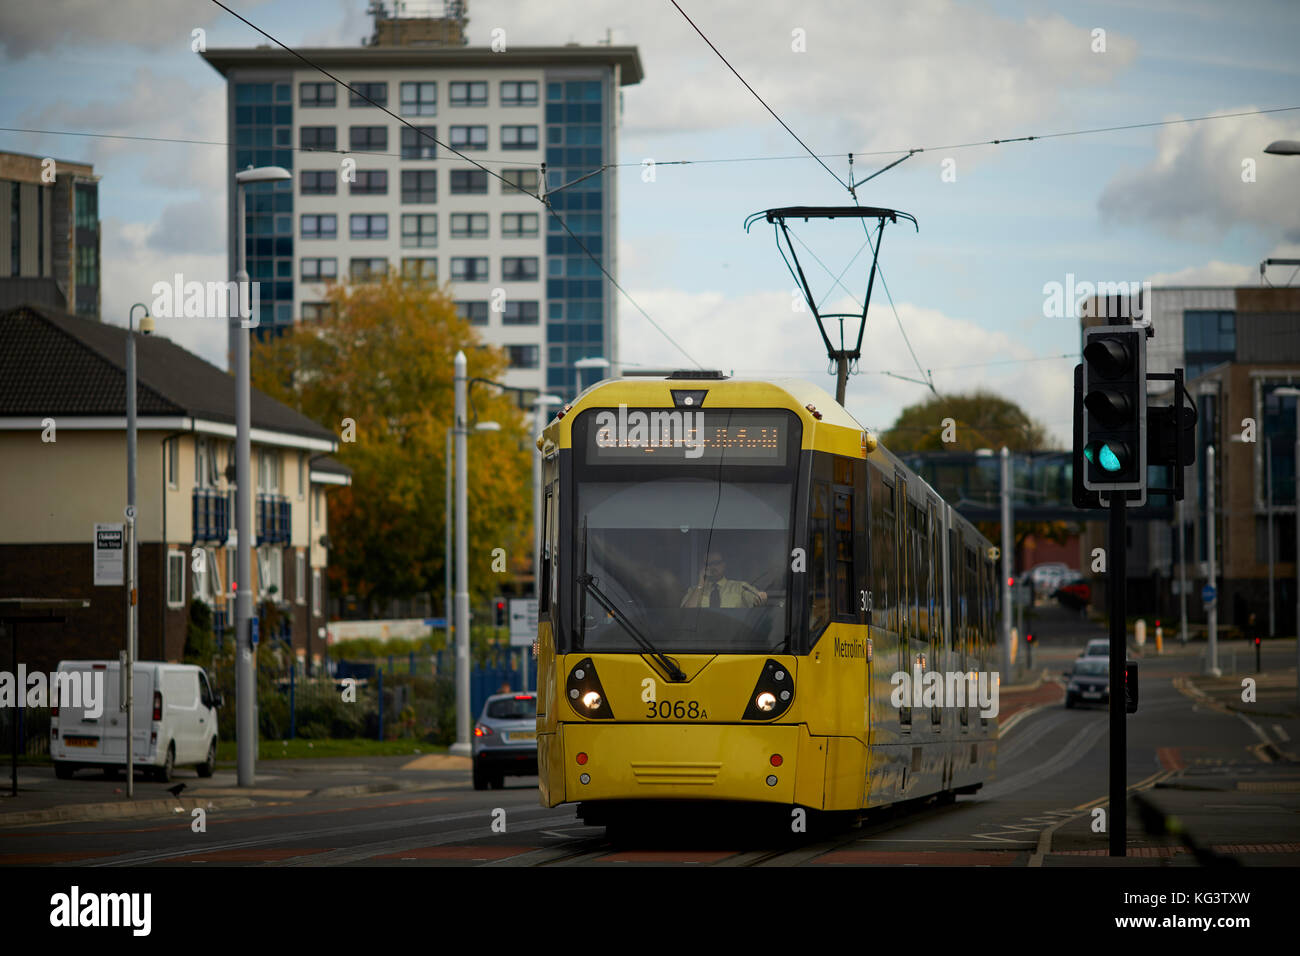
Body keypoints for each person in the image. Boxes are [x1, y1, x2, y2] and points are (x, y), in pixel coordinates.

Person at [681, 551, 766, 608]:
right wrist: (701, 583)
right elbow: (687, 614)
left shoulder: (741, 587)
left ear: (724, 565)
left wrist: (760, 598)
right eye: (708, 564)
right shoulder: (694, 590)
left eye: (716, 563)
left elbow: (757, 600)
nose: (713, 567)